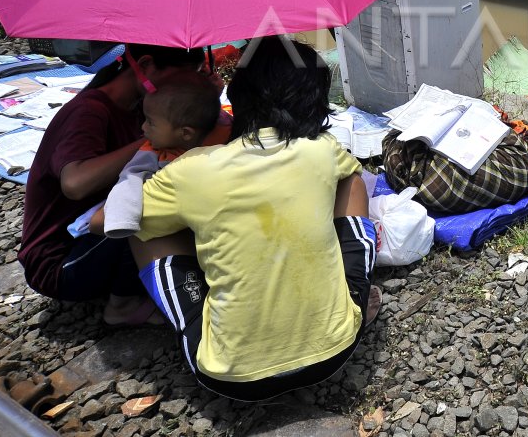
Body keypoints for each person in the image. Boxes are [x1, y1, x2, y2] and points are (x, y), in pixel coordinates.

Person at [131, 36, 378, 401]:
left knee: (137, 225)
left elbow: (105, 223)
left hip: (230, 378)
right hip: (336, 351)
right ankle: (354, 299)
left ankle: (180, 314)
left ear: (238, 96)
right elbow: (344, 179)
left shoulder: (191, 169)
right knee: (351, 182)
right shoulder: (322, 149)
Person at [18, 44, 206, 325]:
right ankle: (123, 305)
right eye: (180, 80)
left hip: (93, 236)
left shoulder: (142, 108)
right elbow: (75, 183)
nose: (182, 90)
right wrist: (149, 143)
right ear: (144, 66)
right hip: (60, 263)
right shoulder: (88, 111)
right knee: (141, 207)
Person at [69, 78, 228, 240]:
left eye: (150, 122)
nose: (143, 127)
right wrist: (121, 221)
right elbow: (129, 182)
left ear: (186, 133)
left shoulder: (165, 152)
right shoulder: (151, 152)